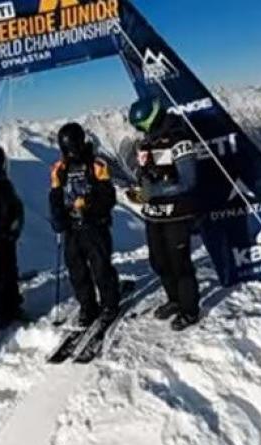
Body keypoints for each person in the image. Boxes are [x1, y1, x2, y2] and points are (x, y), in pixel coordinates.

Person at [126, 98, 201, 331]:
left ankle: (190, 310)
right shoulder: (146, 142)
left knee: (180, 263)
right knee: (159, 261)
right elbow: (147, 175)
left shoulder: (179, 140)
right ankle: (174, 300)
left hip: (176, 214)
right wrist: (141, 188)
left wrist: (154, 190)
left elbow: (188, 181)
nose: (138, 130)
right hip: (154, 214)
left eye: (141, 125)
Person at [49, 123, 121, 328]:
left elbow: (109, 198)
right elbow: (56, 199)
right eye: (66, 149)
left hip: (95, 227)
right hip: (72, 229)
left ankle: (110, 303)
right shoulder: (61, 169)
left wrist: (88, 203)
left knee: (101, 268)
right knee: (77, 271)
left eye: (71, 147)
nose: (70, 153)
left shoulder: (96, 165)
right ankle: (88, 306)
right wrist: (58, 219)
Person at [0, 146, 27, 327]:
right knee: (5, 272)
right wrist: (12, 230)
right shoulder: (2, 185)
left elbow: (15, 209)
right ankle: (8, 308)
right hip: (2, 236)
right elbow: (16, 210)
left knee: (3, 272)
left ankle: (6, 308)